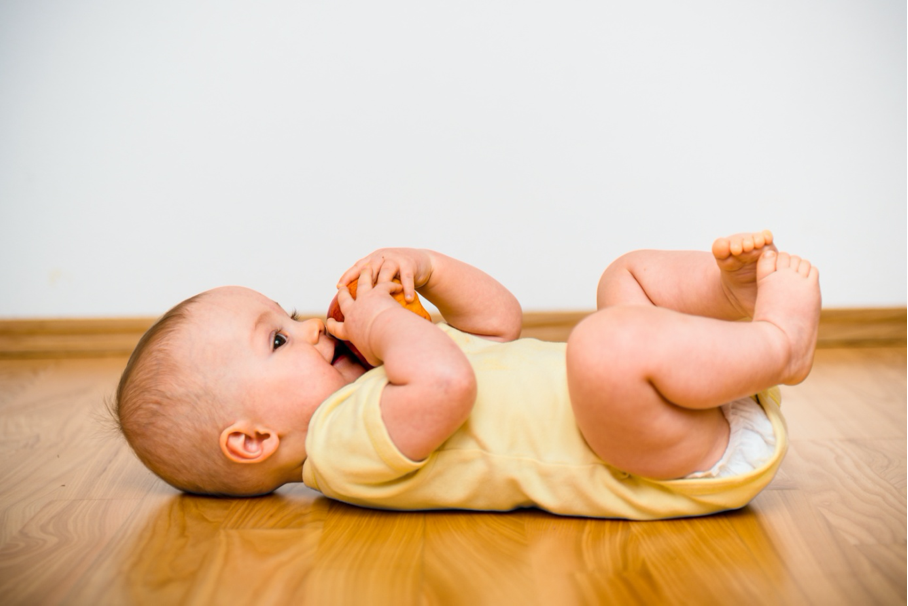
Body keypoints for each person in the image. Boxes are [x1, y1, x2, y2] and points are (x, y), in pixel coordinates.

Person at [113, 230, 820, 519]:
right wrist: (386, 325)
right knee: (602, 346)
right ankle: (778, 343)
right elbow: (450, 385)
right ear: (254, 440)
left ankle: (731, 309)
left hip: (657, 411)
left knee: (623, 277)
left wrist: (428, 269)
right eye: (276, 340)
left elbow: (500, 323)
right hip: (655, 464)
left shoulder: (385, 372)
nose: (310, 328)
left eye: (290, 314)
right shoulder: (339, 447)